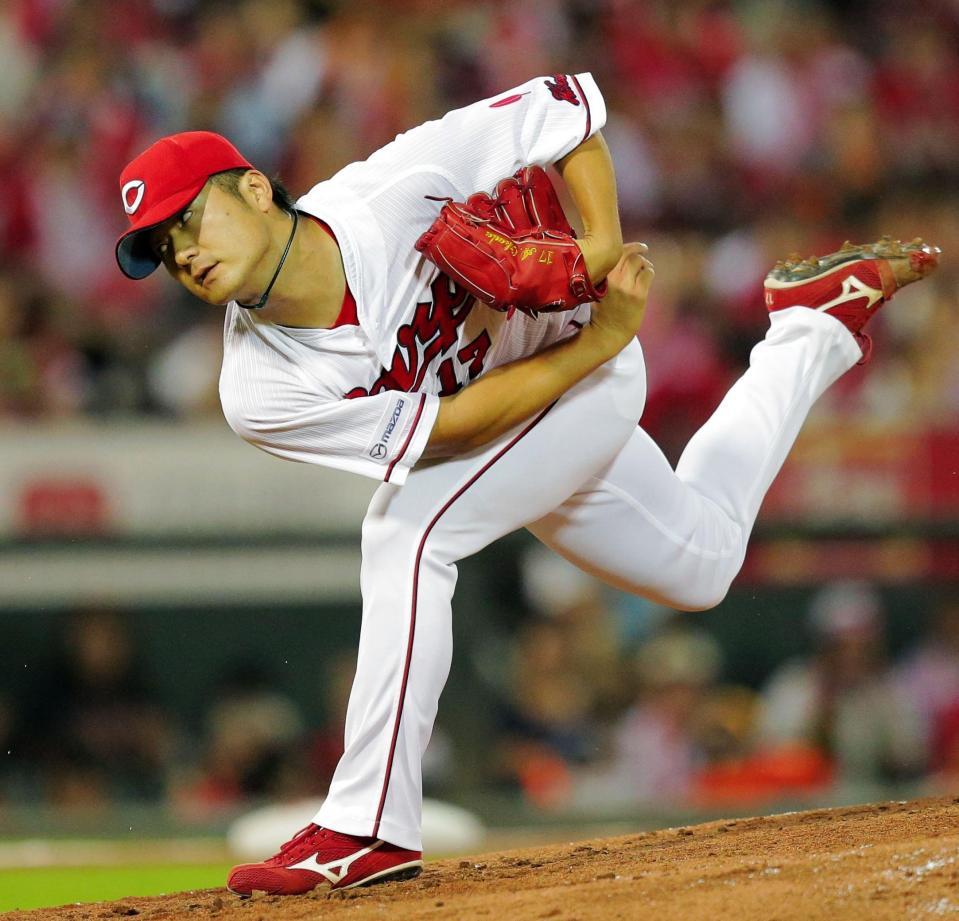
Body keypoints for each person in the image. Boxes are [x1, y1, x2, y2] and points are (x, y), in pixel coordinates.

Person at [113, 73, 938, 895]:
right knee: (702, 562)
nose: (182, 252)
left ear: (256, 188)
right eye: (161, 248)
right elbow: (453, 429)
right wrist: (603, 335)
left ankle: (366, 826)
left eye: (188, 218)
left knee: (406, 534)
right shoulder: (258, 391)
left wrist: (600, 250)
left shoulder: (393, 190)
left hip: (582, 385)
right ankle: (810, 324)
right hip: (540, 396)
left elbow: (567, 107)